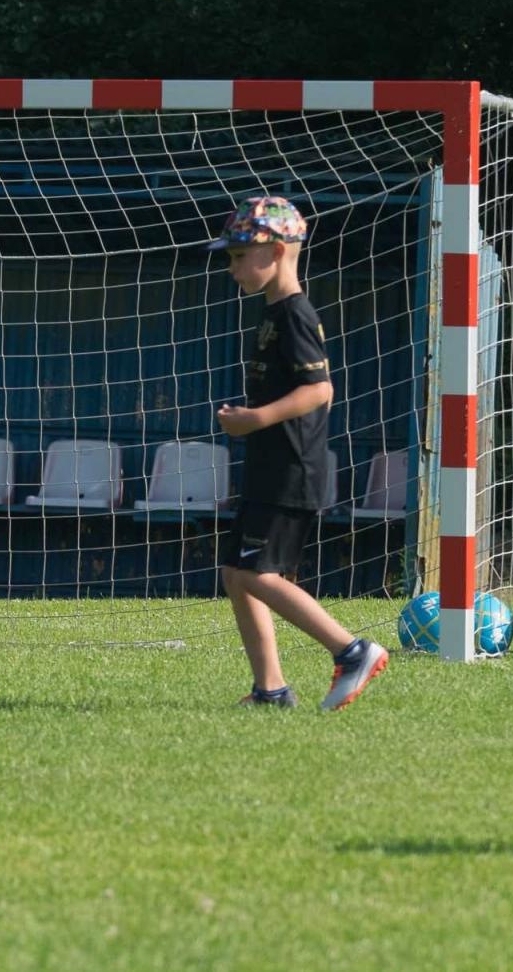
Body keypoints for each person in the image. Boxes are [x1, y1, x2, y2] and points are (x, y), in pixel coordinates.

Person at [212, 197, 388, 711]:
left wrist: (256, 419)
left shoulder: (294, 314)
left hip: (291, 469)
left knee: (255, 574)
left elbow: (319, 391)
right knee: (236, 572)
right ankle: (270, 689)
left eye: (241, 254)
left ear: (280, 249)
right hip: (271, 466)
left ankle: (351, 649)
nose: (233, 267)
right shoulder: (274, 312)